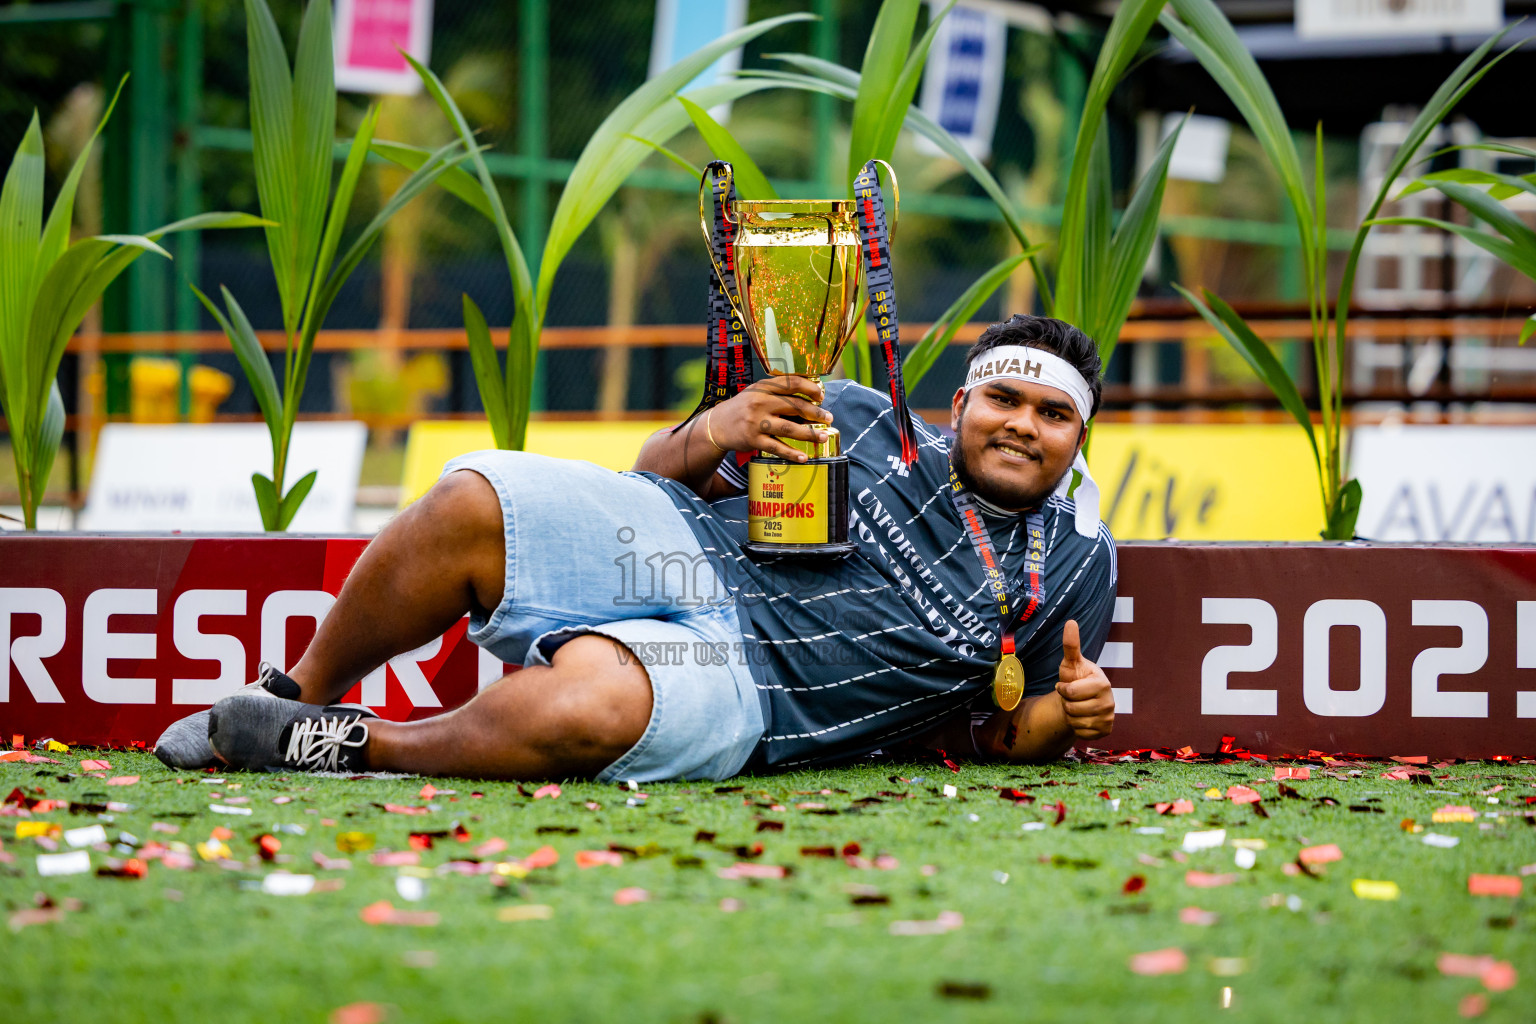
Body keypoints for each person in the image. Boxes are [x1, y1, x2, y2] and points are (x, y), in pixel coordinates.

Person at [157, 314, 1118, 780]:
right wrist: (723, 426)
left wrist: (1069, 714)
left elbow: (993, 732)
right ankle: (294, 693)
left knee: (589, 707)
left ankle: (340, 748)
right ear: (961, 404)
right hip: (682, 543)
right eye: (1004, 398)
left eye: (1053, 413)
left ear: (1080, 437)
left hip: (756, 689)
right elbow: (658, 471)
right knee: (469, 499)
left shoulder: (1075, 561)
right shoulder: (863, 419)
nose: (1024, 425)